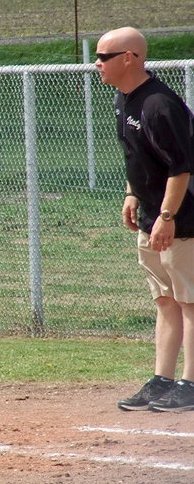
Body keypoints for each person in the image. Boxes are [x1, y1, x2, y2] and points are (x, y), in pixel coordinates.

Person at [96, 28, 194, 412]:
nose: (97, 64)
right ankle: (162, 379)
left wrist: (168, 216)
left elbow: (181, 167)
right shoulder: (124, 100)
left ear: (130, 58)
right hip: (151, 217)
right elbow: (137, 157)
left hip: (181, 219)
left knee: (190, 302)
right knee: (166, 300)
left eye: (105, 56)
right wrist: (132, 193)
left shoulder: (159, 105)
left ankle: (190, 383)